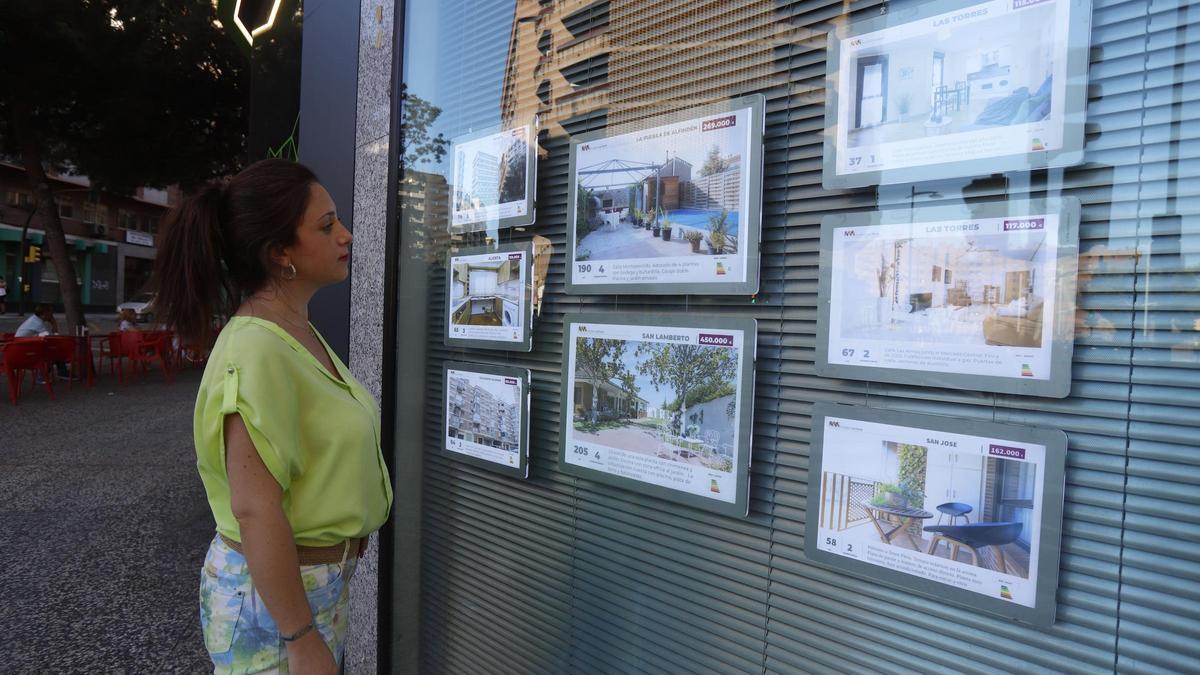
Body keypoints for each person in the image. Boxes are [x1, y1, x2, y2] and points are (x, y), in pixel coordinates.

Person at [149, 159, 392, 674]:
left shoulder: (293, 331)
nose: (346, 235)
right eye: (326, 226)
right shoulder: (257, 347)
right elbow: (256, 509)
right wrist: (301, 639)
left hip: (309, 589)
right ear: (281, 252)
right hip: (277, 604)